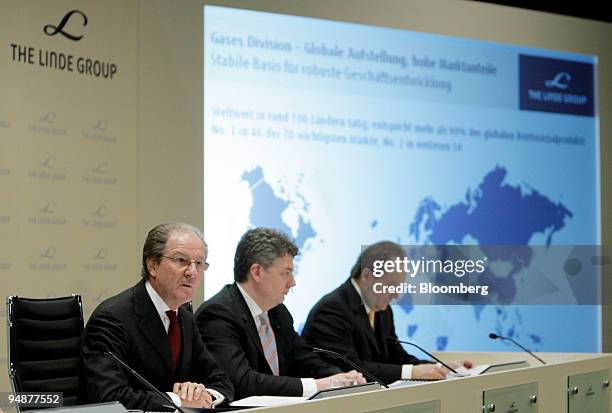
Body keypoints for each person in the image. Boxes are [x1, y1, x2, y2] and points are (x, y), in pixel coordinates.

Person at [195, 227, 364, 399]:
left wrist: (341, 378)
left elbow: (305, 359)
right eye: (286, 273)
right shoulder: (218, 314)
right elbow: (241, 381)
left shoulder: (278, 312)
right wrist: (318, 385)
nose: (292, 283)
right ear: (257, 272)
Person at [80, 223, 234, 411]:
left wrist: (203, 394)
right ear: (152, 265)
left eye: (199, 263)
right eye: (181, 260)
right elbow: (109, 397)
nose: (192, 272)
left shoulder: (184, 319)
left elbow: (221, 382)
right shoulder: (112, 319)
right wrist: (177, 400)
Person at [302, 241, 473, 384]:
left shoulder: (382, 308)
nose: (397, 294)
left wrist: (440, 368)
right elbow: (352, 368)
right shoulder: (332, 310)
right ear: (367, 275)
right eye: (391, 285)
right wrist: (411, 373)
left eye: (399, 286)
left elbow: (396, 356)